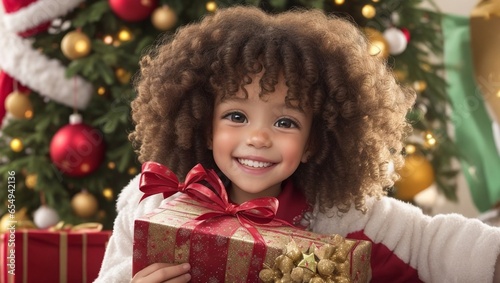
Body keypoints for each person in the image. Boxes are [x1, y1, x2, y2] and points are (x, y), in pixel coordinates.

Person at [94, 6, 500, 283]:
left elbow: (439, 245)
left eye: (285, 122)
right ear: (203, 125)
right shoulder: (151, 201)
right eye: (236, 116)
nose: (258, 137)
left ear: (313, 142)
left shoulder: (346, 215)